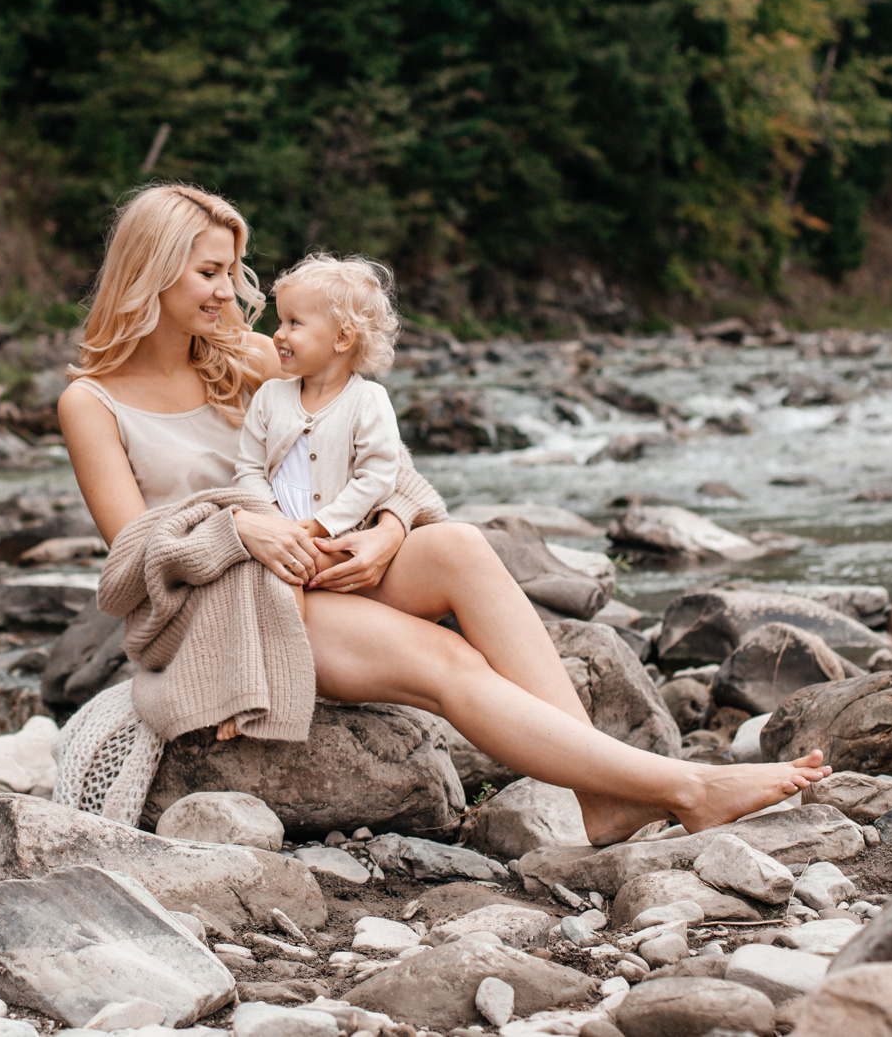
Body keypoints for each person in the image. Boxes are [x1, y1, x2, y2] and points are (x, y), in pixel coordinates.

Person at [58, 183, 829, 844]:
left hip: (320, 563)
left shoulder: (255, 359)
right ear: (153, 270)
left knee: (458, 544)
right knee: (447, 662)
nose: (230, 291)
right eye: (209, 272)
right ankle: (685, 789)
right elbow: (132, 559)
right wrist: (239, 527)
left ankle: (606, 792)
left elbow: (388, 469)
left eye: (233, 271)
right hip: (231, 607)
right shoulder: (90, 402)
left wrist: (388, 532)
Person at [233, 253, 404, 594]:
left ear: (342, 338)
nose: (278, 335)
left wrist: (321, 526)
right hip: (277, 540)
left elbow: (377, 477)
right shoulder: (269, 396)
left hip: (339, 546)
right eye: (280, 321)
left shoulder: (368, 400)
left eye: (294, 323)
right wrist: (274, 521)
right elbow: (248, 469)